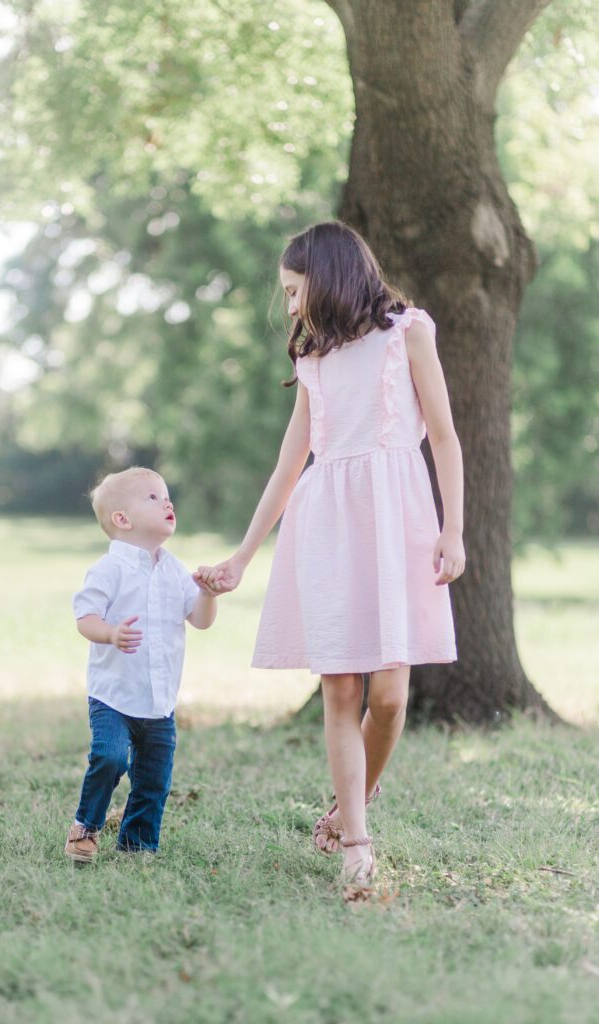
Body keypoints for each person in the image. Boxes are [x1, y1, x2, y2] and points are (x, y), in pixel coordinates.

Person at [195, 221, 465, 887]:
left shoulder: (408, 333)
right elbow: (289, 466)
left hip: (397, 521)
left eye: (293, 290)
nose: (290, 307)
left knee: (391, 696)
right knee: (340, 687)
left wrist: (453, 529)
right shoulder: (312, 360)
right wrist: (242, 556)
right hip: (326, 525)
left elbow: (444, 437)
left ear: (328, 275)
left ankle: (351, 803)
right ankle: (356, 841)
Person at [65, 466, 217, 863]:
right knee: (110, 757)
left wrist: (208, 594)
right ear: (122, 519)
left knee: (154, 779)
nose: (167, 502)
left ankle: (137, 844)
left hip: (159, 700)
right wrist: (111, 633)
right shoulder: (109, 569)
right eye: (153, 497)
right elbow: (85, 618)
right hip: (113, 695)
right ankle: (86, 826)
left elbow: (200, 620)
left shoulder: (175, 570)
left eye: (166, 496)